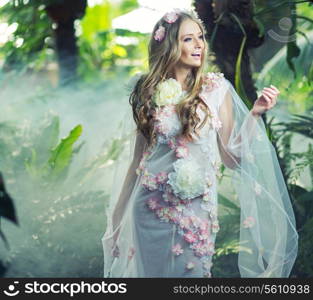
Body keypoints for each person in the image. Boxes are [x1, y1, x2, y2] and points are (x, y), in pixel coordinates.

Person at [101, 9, 298, 278]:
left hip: (195, 212)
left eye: (201, 37)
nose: (199, 45)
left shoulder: (217, 89)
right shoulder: (147, 90)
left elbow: (231, 157)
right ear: (170, 45)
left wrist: (255, 113)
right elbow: (138, 162)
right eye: (188, 39)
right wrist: (115, 221)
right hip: (148, 210)